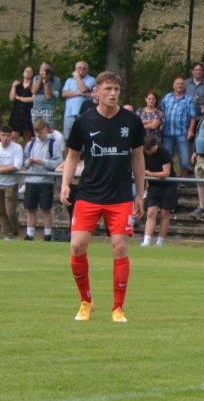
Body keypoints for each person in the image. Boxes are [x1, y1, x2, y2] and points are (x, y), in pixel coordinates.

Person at [59, 72, 146, 323]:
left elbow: (138, 158)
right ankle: (86, 302)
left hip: (120, 195)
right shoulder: (84, 121)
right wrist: (65, 184)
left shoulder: (131, 121)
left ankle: (118, 308)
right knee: (77, 246)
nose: (113, 93)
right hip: (89, 193)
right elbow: (72, 156)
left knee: (120, 246)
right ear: (96, 91)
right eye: (108, 89)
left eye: (116, 89)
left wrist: (140, 194)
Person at [22, 118, 64, 241]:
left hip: (46, 181)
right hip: (31, 180)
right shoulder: (30, 144)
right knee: (30, 208)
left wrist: (43, 162)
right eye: (36, 132)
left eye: (40, 131)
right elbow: (24, 161)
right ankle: (30, 233)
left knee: (46, 208)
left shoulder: (53, 144)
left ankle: (47, 234)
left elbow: (58, 162)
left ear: (46, 129)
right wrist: (29, 162)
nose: (38, 135)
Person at [140, 135, 175, 247]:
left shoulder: (164, 152)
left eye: (149, 149)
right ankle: (147, 240)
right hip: (154, 186)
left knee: (165, 213)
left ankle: (160, 241)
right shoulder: (144, 152)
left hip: (168, 186)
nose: (148, 152)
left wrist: (150, 174)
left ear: (154, 145)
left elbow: (166, 173)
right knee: (151, 212)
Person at [162, 77, 196, 176]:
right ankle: (169, 178)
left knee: (184, 159)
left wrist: (191, 130)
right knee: (166, 157)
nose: (179, 85)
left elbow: (193, 117)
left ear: (184, 86)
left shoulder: (188, 99)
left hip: (182, 133)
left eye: (181, 84)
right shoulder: (167, 97)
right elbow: (162, 112)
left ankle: (183, 181)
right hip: (167, 133)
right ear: (173, 86)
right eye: (177, 84)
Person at [60, 60, 96, 138]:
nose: (81, 70)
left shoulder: (91, 79)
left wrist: (77, 76)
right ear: (75, 69)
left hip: (85, 113)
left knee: (84, 137)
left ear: (87, 70)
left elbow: (84, 89)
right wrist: (78, 93)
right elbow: (64, 94)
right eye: (79, 68)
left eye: (84, 68)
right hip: (69, 114)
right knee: (68, 138)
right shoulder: (69, 80)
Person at [0, 126, 22, 239]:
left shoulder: (17, 148)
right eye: (3, 135)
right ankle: (7, 234)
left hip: (11, 184)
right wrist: (8, 167)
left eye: (8, 136)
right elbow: (11, 166)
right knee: (1, 211)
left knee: (10, 212)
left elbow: (16, 166)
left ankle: (15, 232)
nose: (5, 138)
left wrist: (2, 169)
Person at [9, 73, 34, 140]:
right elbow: (11, 98)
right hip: (17, 112)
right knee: (13, 136)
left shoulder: (33, 86)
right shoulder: (18, 85)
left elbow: (33, 99)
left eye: (30, 71)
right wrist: (13, 86)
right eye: (26, 70)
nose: (28, 72)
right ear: (23, 73)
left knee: (27, 137)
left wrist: (19, 98)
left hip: (28, 113)